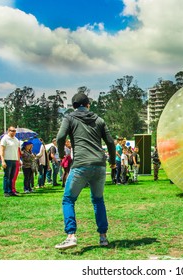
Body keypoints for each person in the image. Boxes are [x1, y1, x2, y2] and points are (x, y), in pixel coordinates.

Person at [55, 92, 116, 250]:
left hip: (81, 164)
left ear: (73, 106)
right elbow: (110, 142)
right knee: (98, 200)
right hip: (100, 165)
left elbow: (60, 137)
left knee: (68, 199)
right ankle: (103, 237)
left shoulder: (69, 118)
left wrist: (61, 155)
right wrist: (112, 162)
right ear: (88, 105)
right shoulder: (99, 119)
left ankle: (71, 236)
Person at [0, 126, 20, 197]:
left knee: (12, 177)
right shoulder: (5, 139)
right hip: (7, 159)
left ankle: (11, 191)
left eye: (15, 131)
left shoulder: (16, 140)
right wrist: (2, 160)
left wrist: (18, 159)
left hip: (14, 160)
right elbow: (2, 150)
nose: (14, 132)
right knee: (7, 176)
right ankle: (6, 191)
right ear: (9, 131)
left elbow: (17, 150)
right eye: (12, 131)